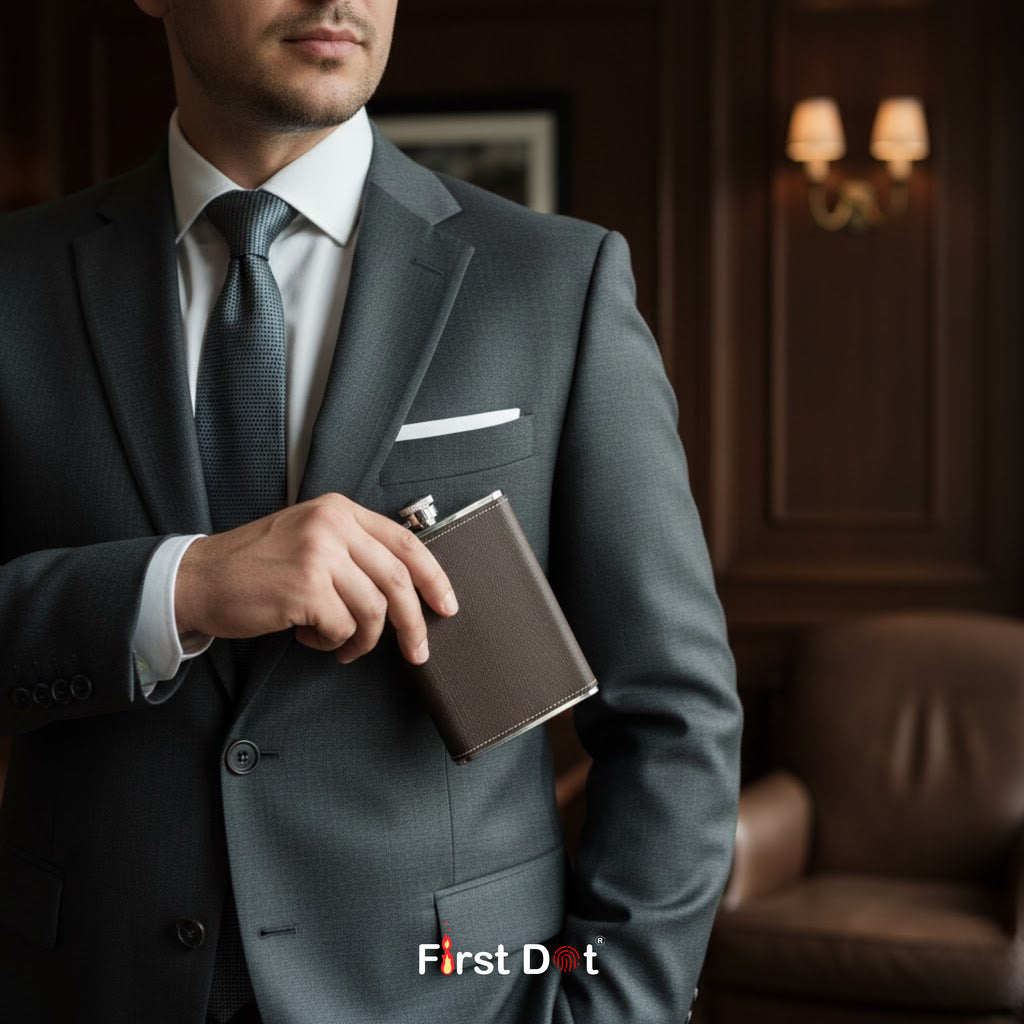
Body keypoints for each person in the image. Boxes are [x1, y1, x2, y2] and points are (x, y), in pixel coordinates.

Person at [0, 1, 742, 1022]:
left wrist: (612, 1008)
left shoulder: (555, 283)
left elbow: (675, 714)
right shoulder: (16, 283)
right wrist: (182, 584)